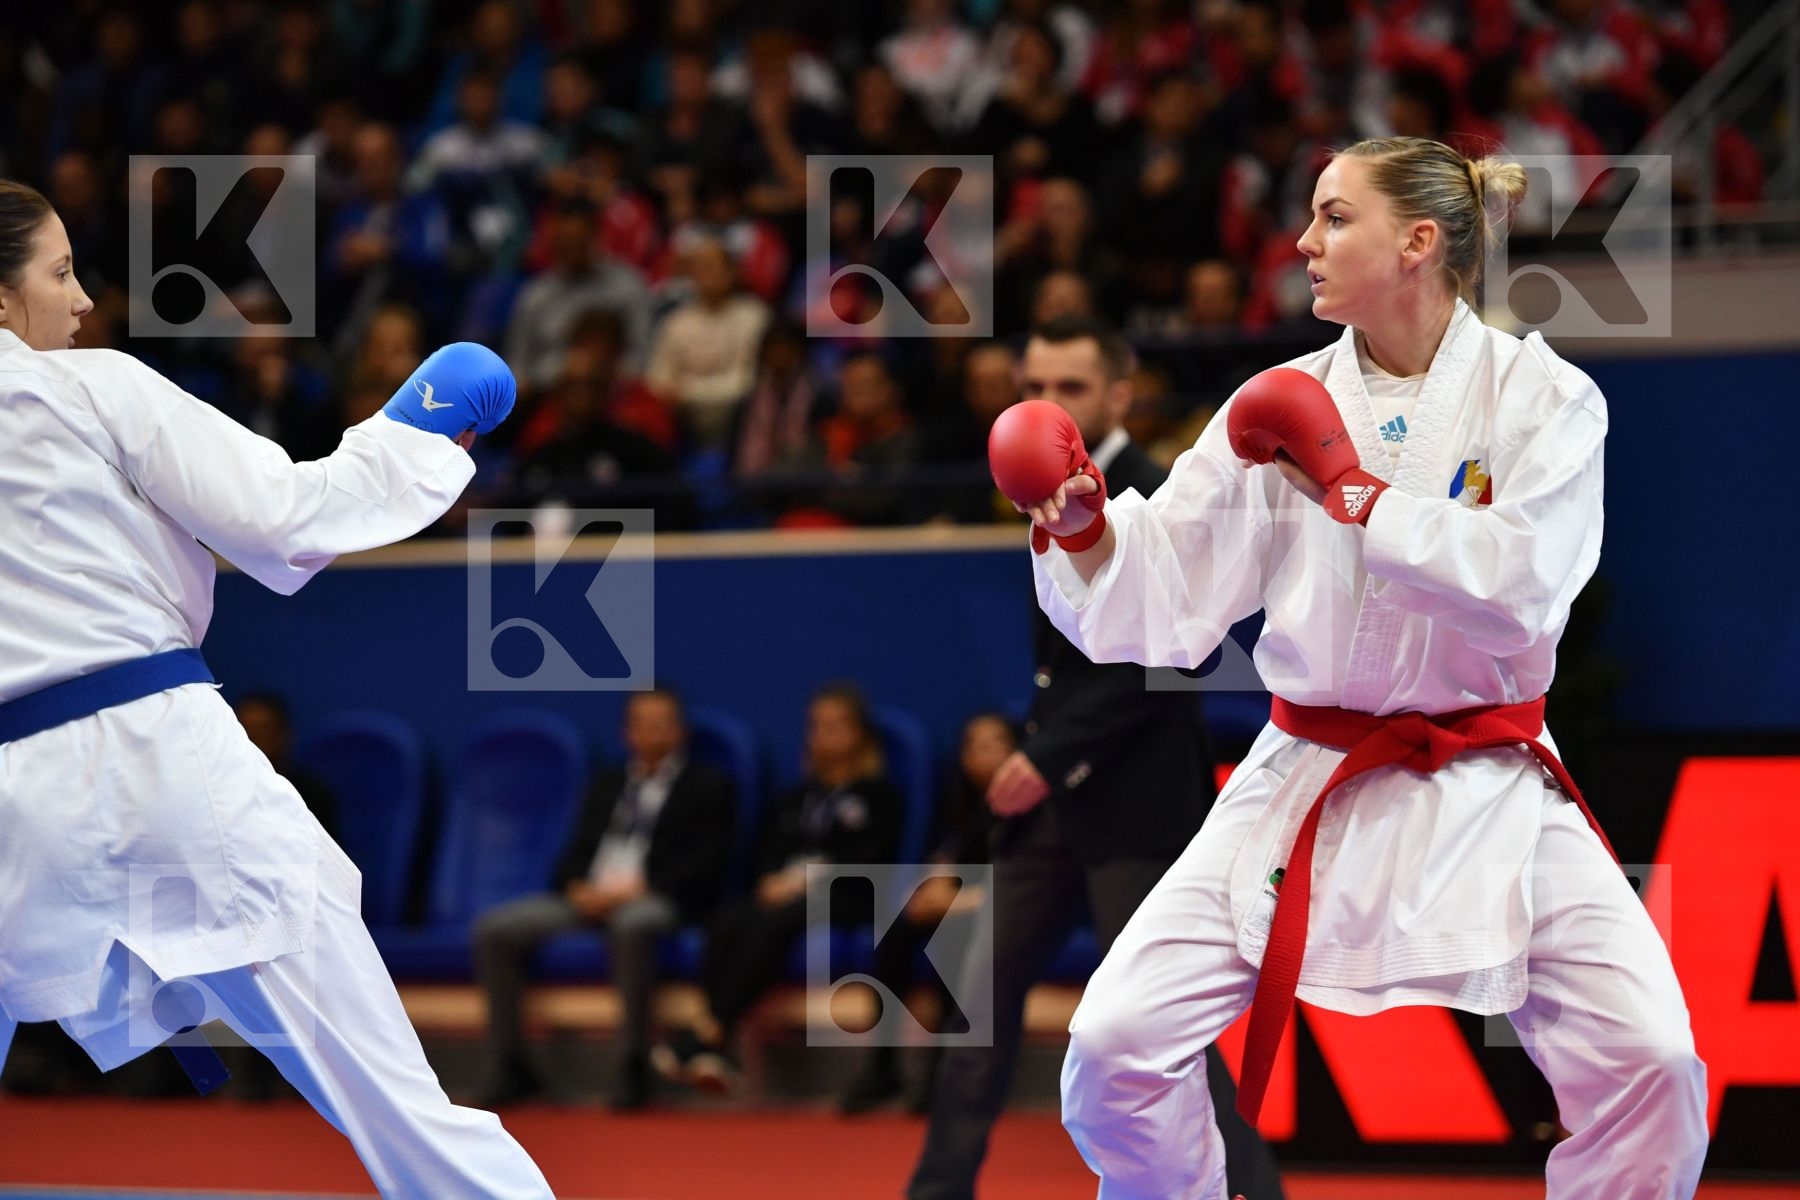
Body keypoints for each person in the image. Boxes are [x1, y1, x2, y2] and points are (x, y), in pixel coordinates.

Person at [999, 138, 1708, 1198]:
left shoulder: (1544, 400)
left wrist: (1358, 494)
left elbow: (1527, 583)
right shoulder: (1276, 398)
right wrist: (1087, 531)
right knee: (1113, 1047)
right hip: (1307, 776)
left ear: (1418, 242)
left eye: (1334, 218)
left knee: (1650, 1059)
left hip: (1491, 774)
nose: (1303, 242)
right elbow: (1165, 598)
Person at [0, 180, 553, 1198]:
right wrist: (417, 428)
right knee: (399, 1111)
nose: (81, 303)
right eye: (60, 272)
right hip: (155, 759)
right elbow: (285, 519)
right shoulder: (92, 388)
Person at [908, 315, 1284, 1200]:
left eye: (1069, 388)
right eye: (1033, 385)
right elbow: (1062, 657)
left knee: (1161, 1037)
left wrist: (1049, 753)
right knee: (976, 1014)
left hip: (1139, 813)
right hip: (1049, 811)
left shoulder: (1163, 489)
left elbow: (1173, 655)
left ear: (1119, 395)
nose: (1045, 406)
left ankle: (1256, 1194)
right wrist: (1033, 748)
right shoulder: (1034, 482)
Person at [472, 688, 734, 1111]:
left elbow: (706, 866)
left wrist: (639, 887)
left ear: (680, 730)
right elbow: (572, 854)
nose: (652, 732)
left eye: (662, 722)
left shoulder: (708, 786)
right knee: (495, 929)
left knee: (632, 925)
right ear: (627, 732)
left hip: (655, 897)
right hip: (589, 898)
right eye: (642, 723)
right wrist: (578, 887)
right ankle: (512, 1064)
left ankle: (633, 1064)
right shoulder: (607, 782)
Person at [654, 683, 903, 1091]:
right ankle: (715, 1037)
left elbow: (872, 862)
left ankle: (711, 1031)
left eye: (838, 726)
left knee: (783, 919)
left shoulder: (880, 796)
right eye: (818, 726)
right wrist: (771, 879)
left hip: (850, 896)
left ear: (861, 734)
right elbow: (769, 852)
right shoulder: (798, 797)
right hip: (787, 894)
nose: (827, 735)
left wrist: (803, 882)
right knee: (729, 918)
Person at [838, 711, 1014, 1115]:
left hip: (1008, 911)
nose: (981, 756)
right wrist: (930, 891)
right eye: (973, 746)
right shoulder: (961, 806)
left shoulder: (1031, 809)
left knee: (951, 939)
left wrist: (957, 902)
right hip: (960, 905)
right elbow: (948, 860)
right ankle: (882, 1067)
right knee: (895, 934)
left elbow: (1029, 879)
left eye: (993, 745)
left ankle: (944, 1075)